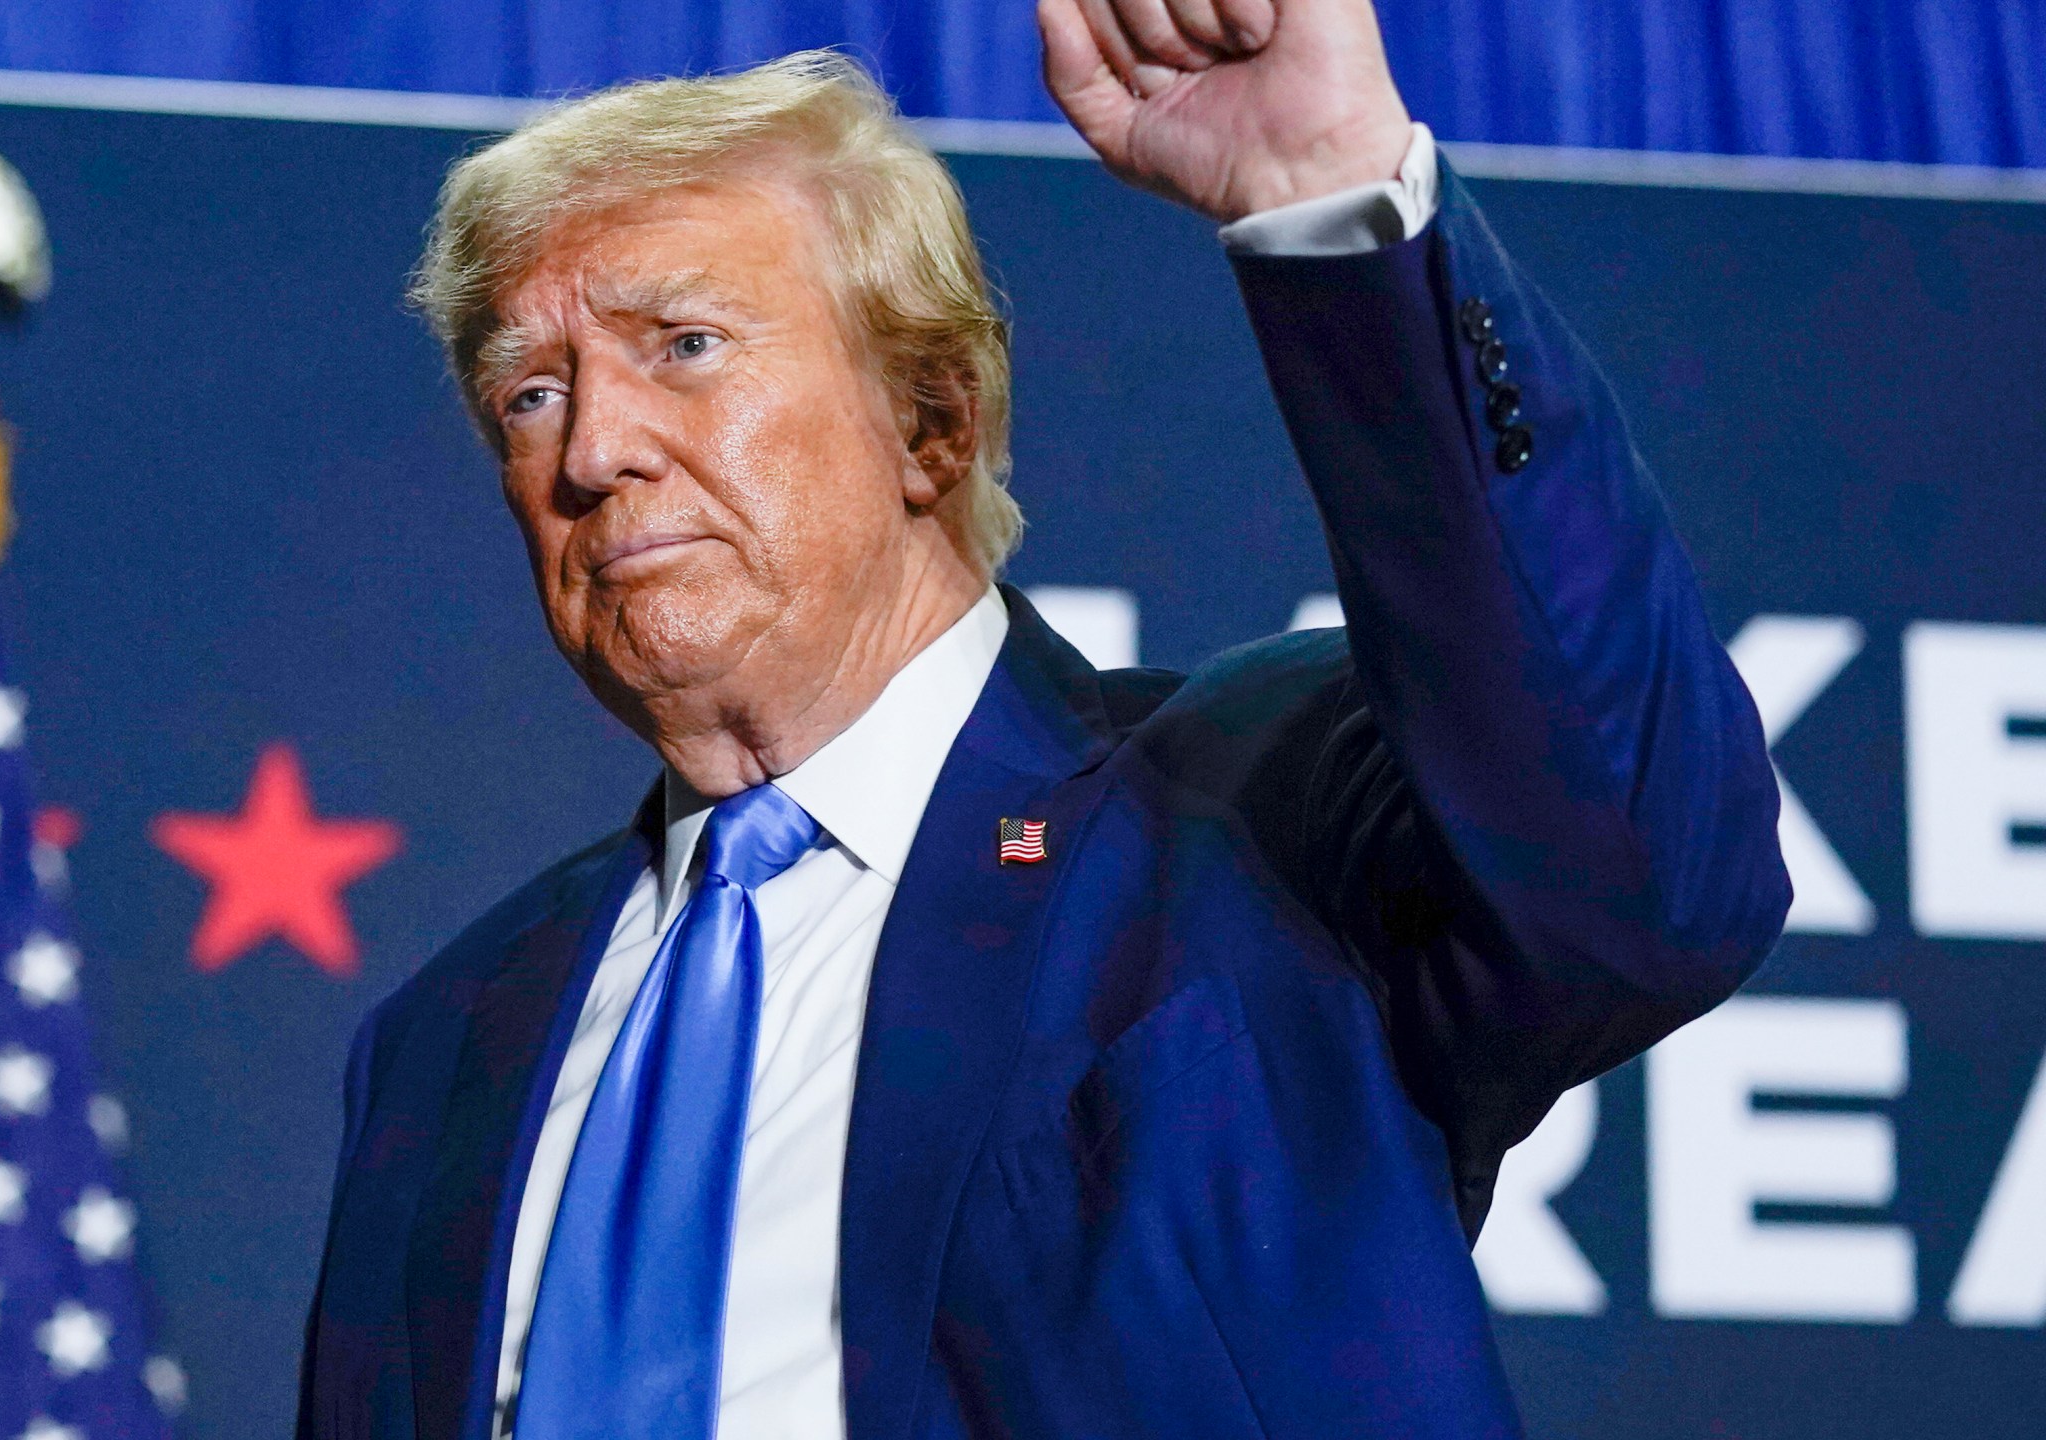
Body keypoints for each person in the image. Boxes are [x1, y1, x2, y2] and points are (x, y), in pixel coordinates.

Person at [298, 0, 1791, 1435]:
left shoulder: (1244, 818)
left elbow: (1644, 882)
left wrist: (1333, 201)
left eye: (683, 343)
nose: (595, 450)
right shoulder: (444, 1044)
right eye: (531, 394)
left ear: (930, 421)